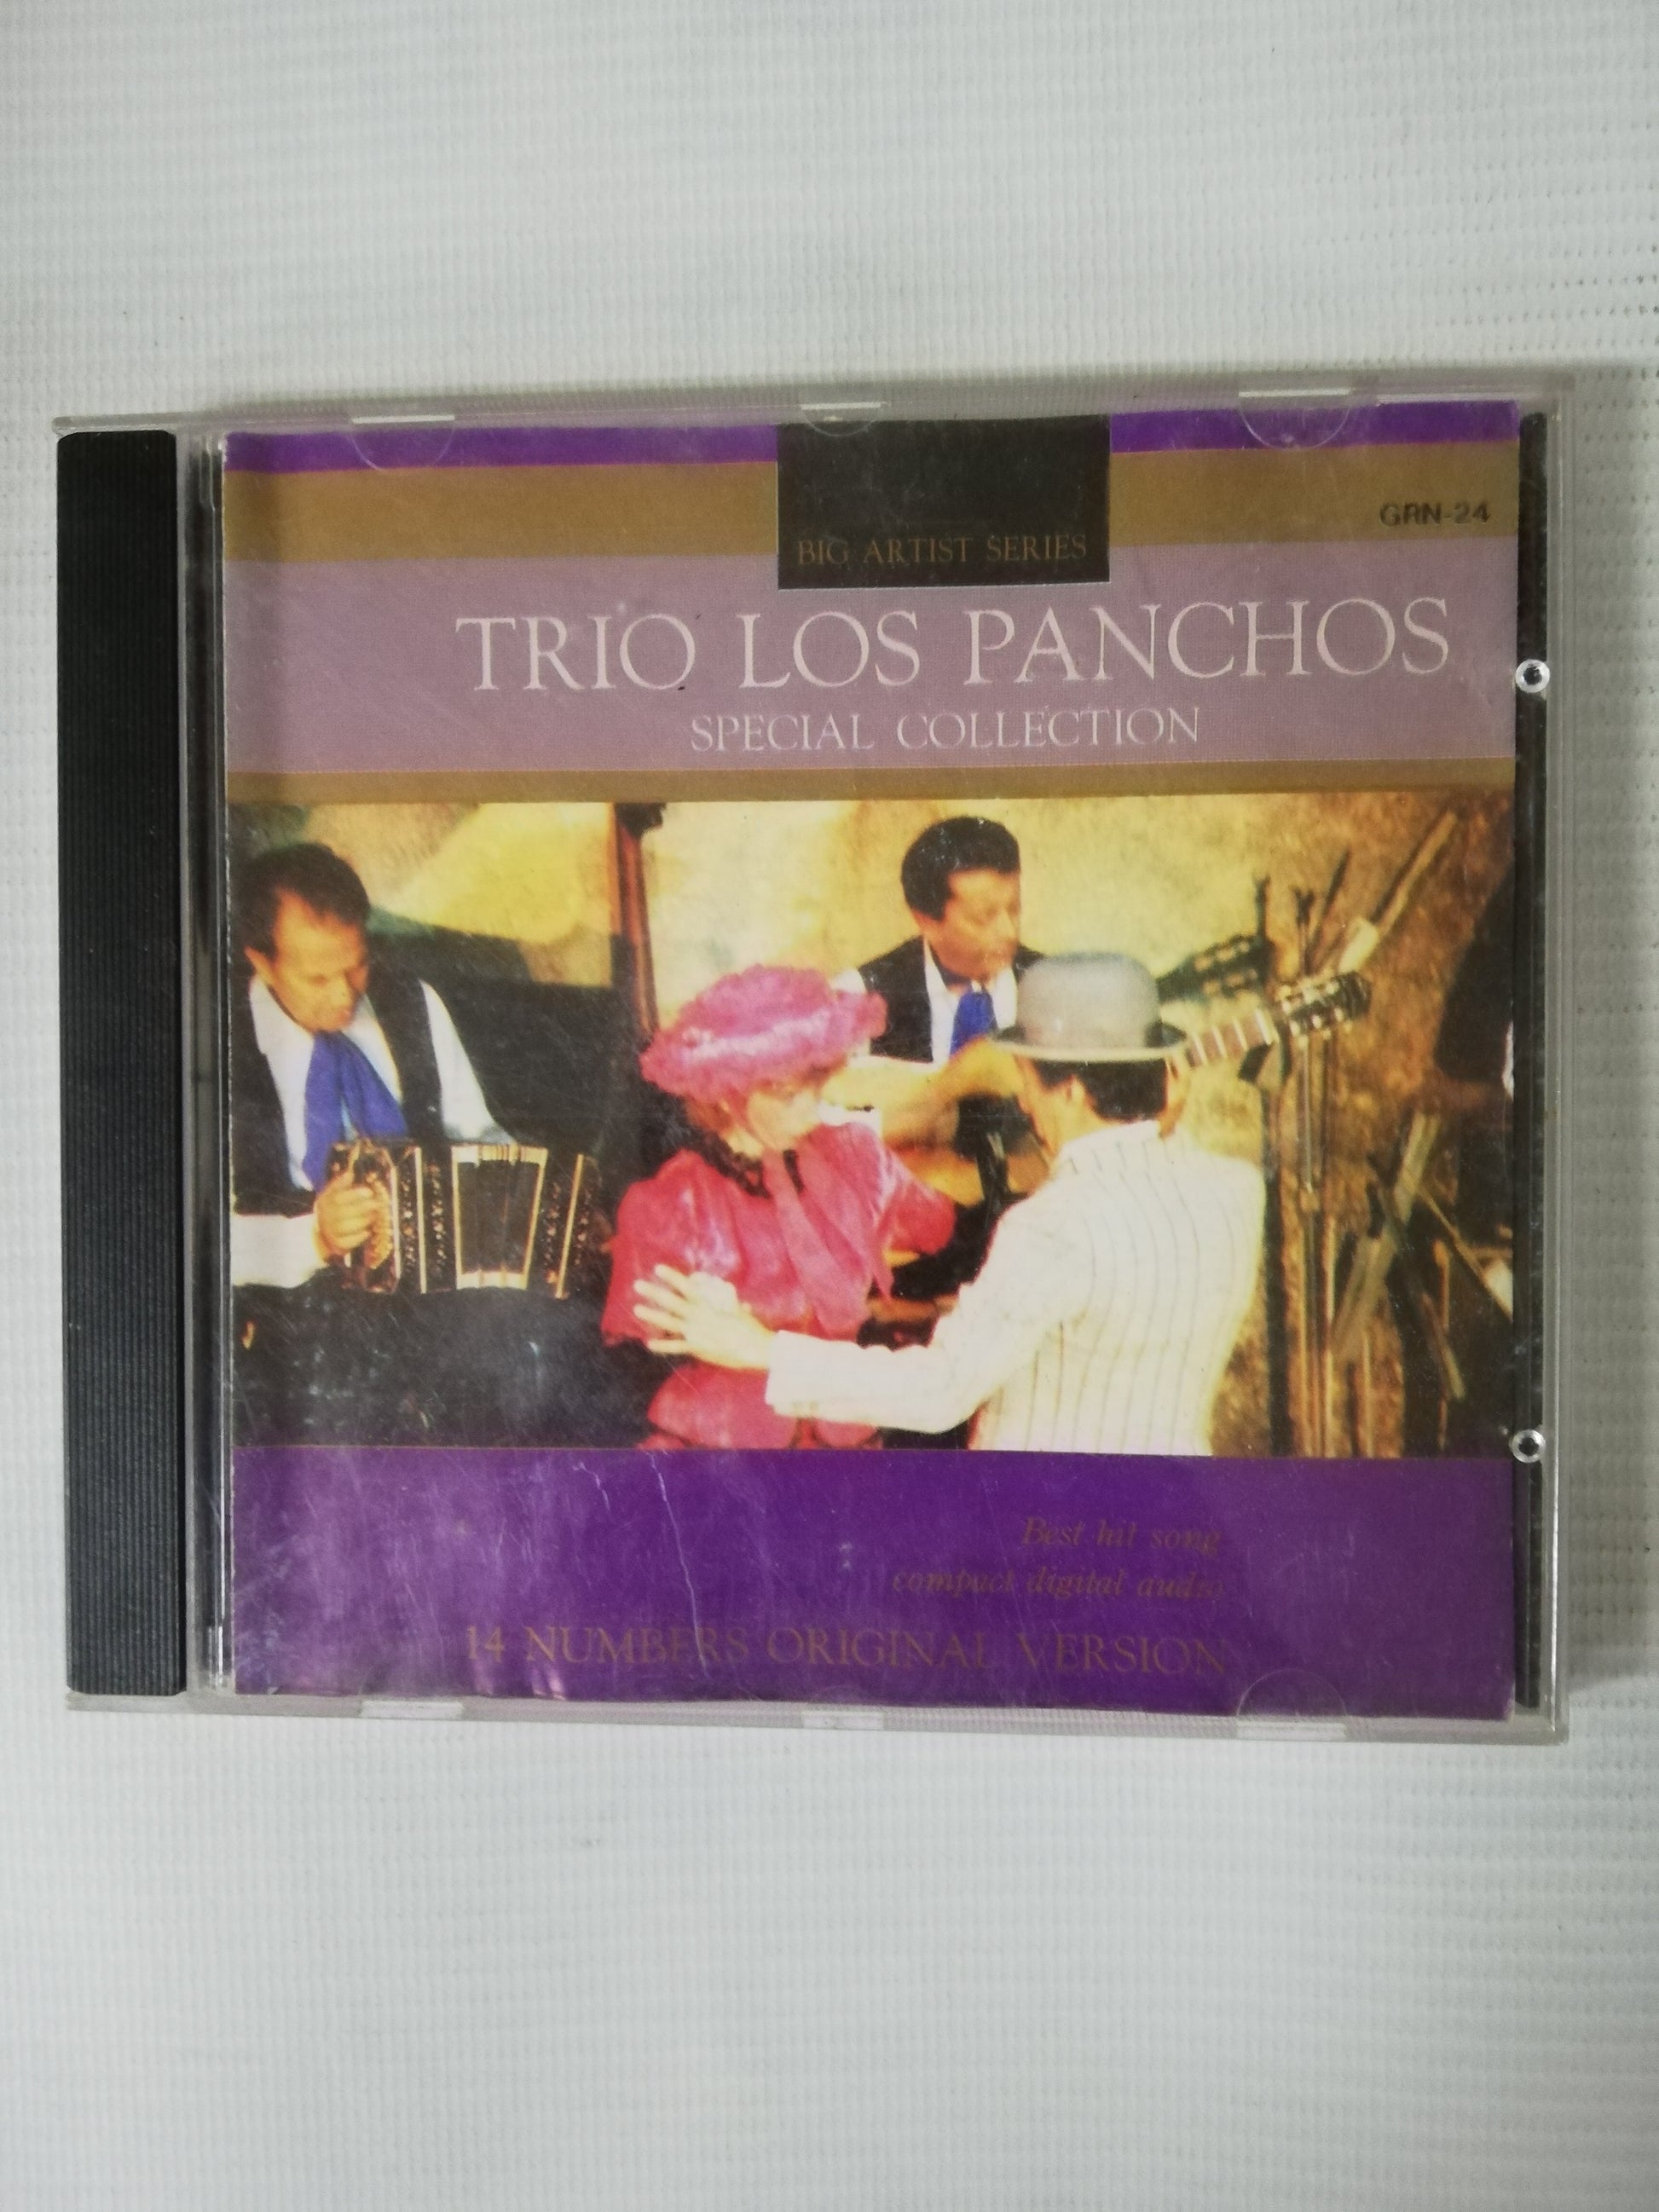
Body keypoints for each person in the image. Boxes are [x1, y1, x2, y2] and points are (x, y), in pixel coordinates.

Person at [633, 955, 1265, 1456]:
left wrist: (760, 1348)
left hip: (1043, 1527)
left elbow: (940, 1389)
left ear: (1071, 1090)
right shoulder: (1237, 1189)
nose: (1022, 1103)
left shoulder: (1050, 1225)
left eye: (1026, 1081)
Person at [600, 966, 956, 1449]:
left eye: (818, 1087)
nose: (811, 1112)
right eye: (789, 1096)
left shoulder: (856, 1158)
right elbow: (634, 1364)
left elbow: (943, 1234)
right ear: (728, 1095)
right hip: (722, 1456)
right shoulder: (671, 1204)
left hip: (850, 1439)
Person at [230, 841, 504, 1287]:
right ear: (261, 963)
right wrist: (315, 1237)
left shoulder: (414, 1004)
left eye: (356, 967)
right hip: (292, 1300)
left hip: (430, 1286)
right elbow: (200, 1235)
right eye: (318, 978)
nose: (344, 995)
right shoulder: (218, 1044)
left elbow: (479, 1138)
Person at [841, 814, 1040, 1066]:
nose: (1009, 932)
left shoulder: (1052, 986)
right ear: (926, 921)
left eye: (1014, 909)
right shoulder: (858, 997)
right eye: (984, 917)